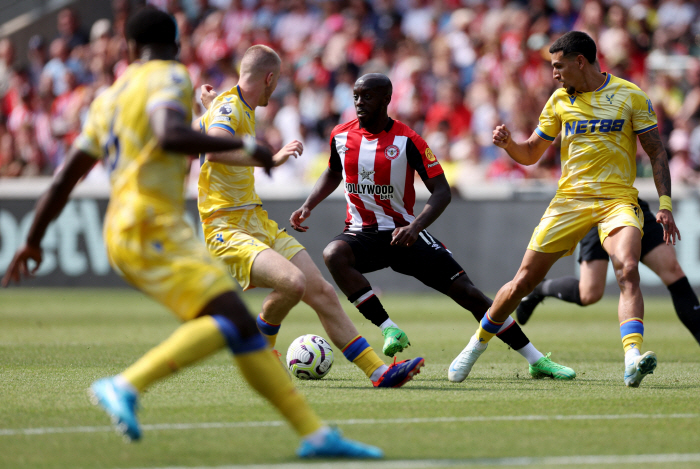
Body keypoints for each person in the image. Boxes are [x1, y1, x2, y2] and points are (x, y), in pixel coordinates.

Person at [1, 7, 381, 459]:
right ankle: (125, 384)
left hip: (122, 230)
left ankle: (314, 435)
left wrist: (33, 238)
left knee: (240, 327)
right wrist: (246, 148)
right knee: (226, 322)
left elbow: (65, 178)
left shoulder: (110, 97)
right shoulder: (170, 76)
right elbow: (168, 134)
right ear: (176, 45)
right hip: (152, 225)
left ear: (128, 48)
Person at [289, 72, 575, 381]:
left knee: (470, 295)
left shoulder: (408, 140)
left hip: (404, 234)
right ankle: (389, 329)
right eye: (356, 96)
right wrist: (308, 205)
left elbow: (442, 191)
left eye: (367, 96)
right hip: (362, 234)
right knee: (334, 254)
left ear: (386, 99)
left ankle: (535, 359)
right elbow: (334, 171)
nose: (359, 102)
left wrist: (415, 226)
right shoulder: (341, 136)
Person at [451, 31, 680, 388]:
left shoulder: (630, 96)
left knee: (628, 268)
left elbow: (656, 151)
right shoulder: (558, 101)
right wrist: (509, 144)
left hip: (617, 200)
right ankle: (474, 346)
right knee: (523, 281)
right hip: (569, 202)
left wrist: (664, 205)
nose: (554, 74)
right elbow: (530, 154)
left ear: (580, 62)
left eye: (558, 66)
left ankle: (632, 358)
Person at [195, 46, 424, 388]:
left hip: (255, 222)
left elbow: (216, 126)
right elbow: (214, 148)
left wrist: (210, 106)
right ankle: (259, 350)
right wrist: (269, 159)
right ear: (269, 78)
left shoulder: (232, 105)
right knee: (292, 282)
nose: (277, 89)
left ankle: (380, 373)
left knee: (322, 292)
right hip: (225, 226)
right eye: (277, 81)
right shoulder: (231, 106)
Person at [516, 198, 700, 346]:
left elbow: (656, 153)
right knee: (589, 293)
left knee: (673, 270)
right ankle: (540, 289)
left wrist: (665, 202)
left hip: (628, 203)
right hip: (593, 208)